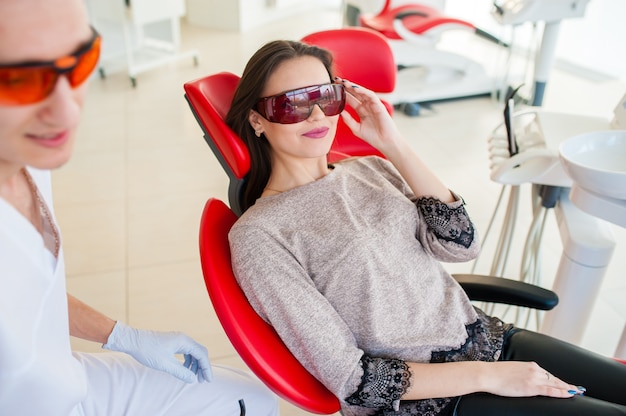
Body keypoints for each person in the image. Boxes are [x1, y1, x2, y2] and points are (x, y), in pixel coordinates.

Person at [224, 39, 626, 416]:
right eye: (291, 104)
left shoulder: (370, 168)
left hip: (484, 340)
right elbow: (354, 380)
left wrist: (393, 144)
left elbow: (460, 244)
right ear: (257, 120)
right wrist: (487, 376)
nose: (315, 115)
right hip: (427, 401)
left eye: (326, 97)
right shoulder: (261, 234)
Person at [0, 0, 279, 415]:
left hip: (71, 380)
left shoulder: (27, 151)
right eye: (21, 81)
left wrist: (123, 336)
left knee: (251, 403)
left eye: (80, 61)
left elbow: (31, 294)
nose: (66, 110)